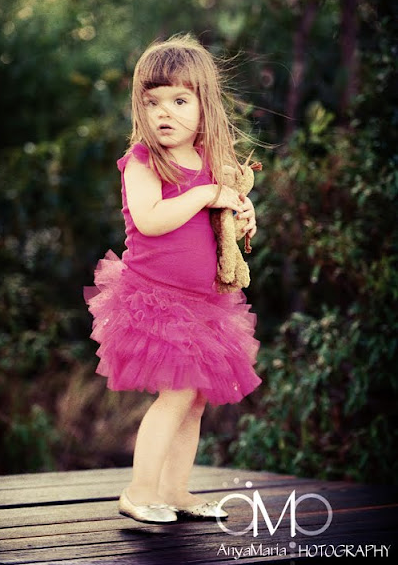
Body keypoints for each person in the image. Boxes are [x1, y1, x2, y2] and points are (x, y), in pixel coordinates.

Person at [83, 33, 262, 524]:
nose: (164, 112)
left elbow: (220, 227)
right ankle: (139, 491)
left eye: (179, 101)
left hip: (205, 302)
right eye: (153, 102)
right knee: (178, 392)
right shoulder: (143, 161)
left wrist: (242, 218)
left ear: (205, 106)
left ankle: (174, 490)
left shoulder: (212, 164)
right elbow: (151, 219)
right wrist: (206, 195)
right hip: (155, 298)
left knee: (196, 399)